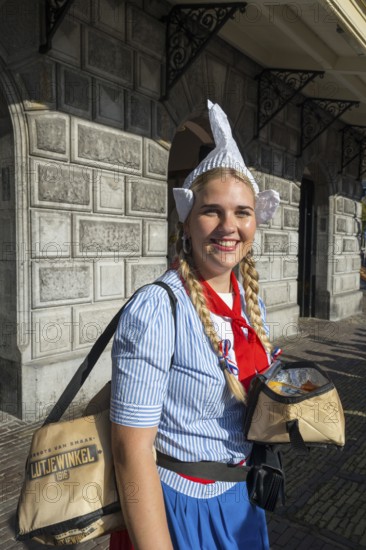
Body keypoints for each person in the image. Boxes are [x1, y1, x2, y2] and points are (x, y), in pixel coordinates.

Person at [109, 100, 280, 550]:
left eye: (242, 212)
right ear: (186, 222)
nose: (229, 226)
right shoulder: (157, 308)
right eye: (212, 211)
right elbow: (131, 452)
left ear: (255, 221)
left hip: (241, 500)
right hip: (182, 508)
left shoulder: (248, 300)